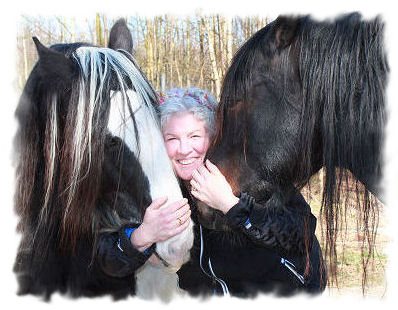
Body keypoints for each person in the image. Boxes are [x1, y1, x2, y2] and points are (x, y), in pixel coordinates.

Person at [157, 87, 326, 297]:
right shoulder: (165, 192)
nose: (184, 149)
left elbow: (302, 234)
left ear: (213, 137)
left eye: (194, 136)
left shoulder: (251, 171)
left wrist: (231, 205)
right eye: (172, 139)